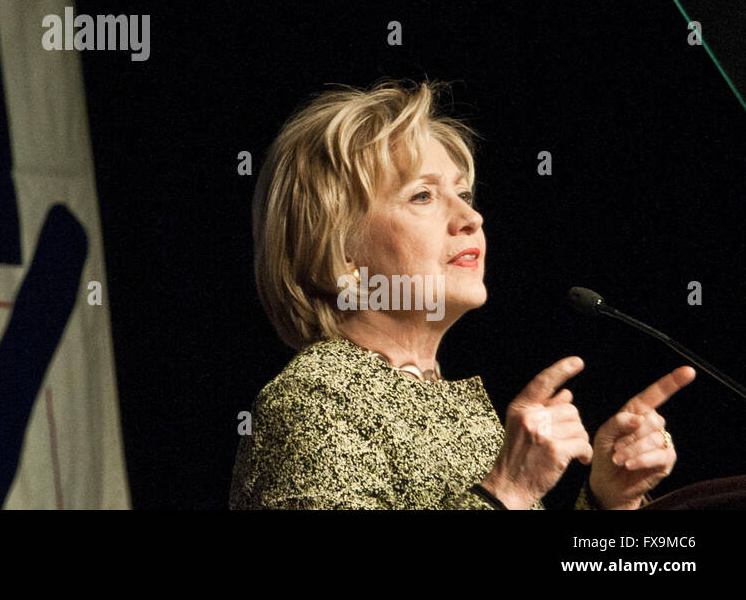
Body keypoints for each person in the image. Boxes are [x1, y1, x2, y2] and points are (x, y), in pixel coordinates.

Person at [229, 79, 695, 510]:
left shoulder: (458, 410)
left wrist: (606, 500)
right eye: (422, 196)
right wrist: (509, 489)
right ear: (340, 247)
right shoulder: (314, 400)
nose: (471, 218)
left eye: (464, 193)